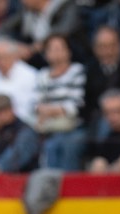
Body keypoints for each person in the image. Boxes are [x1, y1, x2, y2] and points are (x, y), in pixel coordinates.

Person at [31, 33, 86, 170]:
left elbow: (76, 105)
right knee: (47, 146)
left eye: (60, 48)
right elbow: (35, 104)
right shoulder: (42, 75)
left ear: (68, 51)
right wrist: (49, 110)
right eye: (52, 49)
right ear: (46, 54)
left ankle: (68, 187)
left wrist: (50, 110)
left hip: (73, 127)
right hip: (47, 127)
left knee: (65, 145)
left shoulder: (77, 71)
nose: (56, 52)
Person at [0, 36, 38, 126]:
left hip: (20, 126)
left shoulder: (30, 75)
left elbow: (31, 107)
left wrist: (5, 117)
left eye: (2, 57)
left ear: (14, 56)